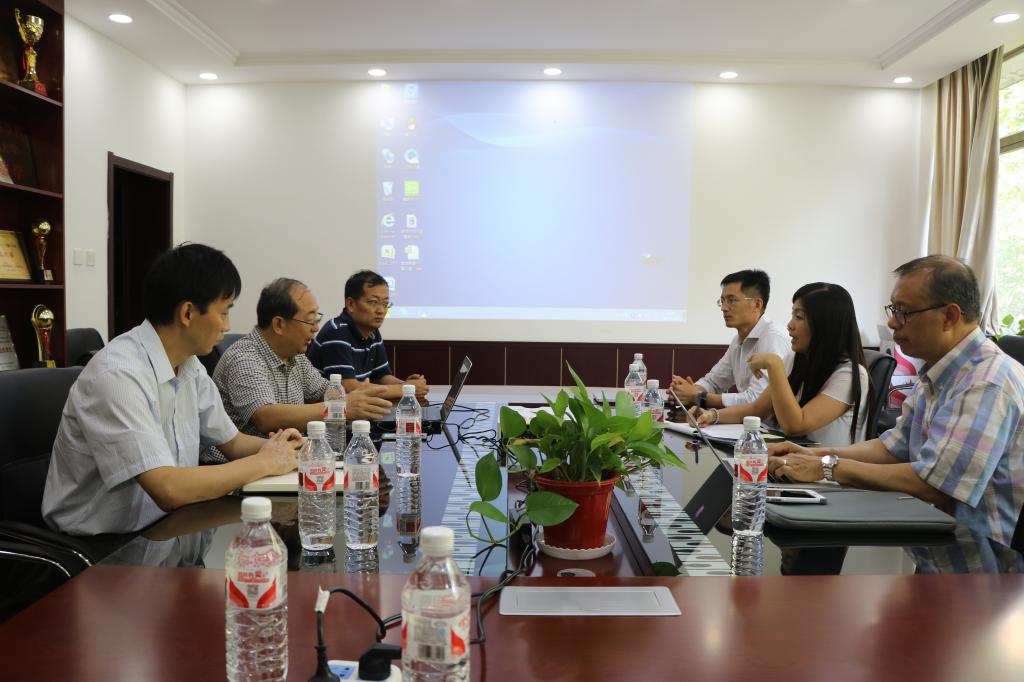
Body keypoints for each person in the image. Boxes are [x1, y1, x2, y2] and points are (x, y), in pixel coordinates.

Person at [42, 244, 300, 535]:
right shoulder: (117, 375)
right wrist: (264, 462)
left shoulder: (190, 366)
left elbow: (233, 442)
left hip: (168, 528)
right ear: (188, 313)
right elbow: (167, 489)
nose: (227, 325)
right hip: (104, 544)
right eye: (224, 312)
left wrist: (286, 449)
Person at [769, 256, 1024, 547]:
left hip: (979, 557)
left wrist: (828, 467)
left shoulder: (986, 383)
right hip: (929, 538)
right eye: (893, 310)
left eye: (903, 312)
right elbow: (892, 448)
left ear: (949, 317)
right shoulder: (939, 372)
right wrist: (815, 454)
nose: (892, 322)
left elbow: (935, 484)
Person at [203, 278, 394, 463]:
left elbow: (324, 392)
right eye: (310, 320)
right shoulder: (244, 357)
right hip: (236, 469)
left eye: (317, 319)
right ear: (279, 324)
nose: (316, 328)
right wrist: (340, 407)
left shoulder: (296, 357)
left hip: (288, 460)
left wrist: (357, 397)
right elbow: (265, 417)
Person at [696, 282, 871, 447]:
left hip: (826, 468)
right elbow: (757, 409)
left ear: (825, 325)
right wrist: (712, 415)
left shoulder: (848, 375)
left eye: (799, 317)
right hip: (793, 460)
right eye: (792, 315)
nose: (790, 325)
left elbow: (795, 426)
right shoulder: (796, 358)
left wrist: (775, 366)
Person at [671, 269, 791, 410]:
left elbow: (756, 400)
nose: (724, 308)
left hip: (770, 423)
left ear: (757, 304)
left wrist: (698, 397)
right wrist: (686, 392)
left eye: (731, 300)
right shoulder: (738, 340)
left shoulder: (773, 337)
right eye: (722, 301)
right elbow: (714, 382)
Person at [307, 269, 429, 401]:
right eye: (373, 302)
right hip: (327, 410)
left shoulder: (372, 332)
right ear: (351, 304)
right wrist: (407, 389)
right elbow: (349, 388)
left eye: (385, 303)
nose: (381, 310)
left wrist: (407, 385)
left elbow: (381, 376)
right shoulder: (336, 333)